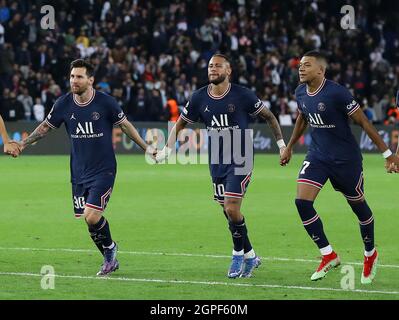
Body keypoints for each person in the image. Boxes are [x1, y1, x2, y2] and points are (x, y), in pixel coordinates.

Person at [15, 59, 156, 276]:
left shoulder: (105, 103)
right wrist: (23, 144)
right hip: (79, 172)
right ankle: (109, 253)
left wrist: (146, 147)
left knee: (91, 216)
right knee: (89, 220)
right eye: (72, 76)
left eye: (79, 77)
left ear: (91, 80)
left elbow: (125, 125)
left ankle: (109, 252)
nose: (74, 81)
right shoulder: (63, 104)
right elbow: (45, 127)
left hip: (104, 170)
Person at [156, 54, 286, 278]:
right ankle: (251, 256)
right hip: (216, 161)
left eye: (218, 66)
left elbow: (269, 116)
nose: (213, 69)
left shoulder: (242, 95)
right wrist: (167, 149)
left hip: (241, 156)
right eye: (210, 66)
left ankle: (237, 255)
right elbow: (180, 123)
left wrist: (282, 145)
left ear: (229, 71)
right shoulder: (199, 97)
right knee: (228, 213)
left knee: (231, 208)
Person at [280, 51, 399, 284]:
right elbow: (302, 117)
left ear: (320, 70)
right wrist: (290, 146)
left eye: (307, 65)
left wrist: (388, 154)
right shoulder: (300, 92)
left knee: (359, 208)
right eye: (300, 65)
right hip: (317, 156)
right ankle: (328, 254)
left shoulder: (337, 93)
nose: (301, 68)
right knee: (302, 202)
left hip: (346, 159)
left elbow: (363, 121)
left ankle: (370, 253)